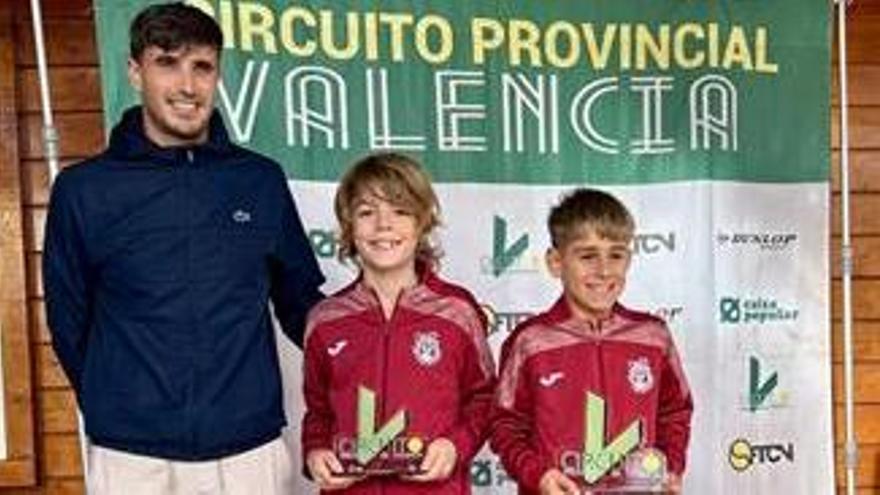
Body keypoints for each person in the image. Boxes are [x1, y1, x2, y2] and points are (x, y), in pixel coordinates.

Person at [42, 3, 325, 493]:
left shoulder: (259, 180)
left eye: (202, 67)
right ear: (135, 71)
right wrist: (122, 402)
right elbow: (69, 321)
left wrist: (375, 353)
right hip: (131, 456)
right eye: (167, 63)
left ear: (217, 74)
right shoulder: (84, 190)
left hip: (248, 452)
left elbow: (302, 304)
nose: (187, 86)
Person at [301, 153, 496, 494]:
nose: (383, 225)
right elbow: (318, 412)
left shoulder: (456, 311)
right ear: (348, 226)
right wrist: (315, 452)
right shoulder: (325, 319)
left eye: (400, 211)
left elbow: (484, 398)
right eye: (366, 213)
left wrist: (455, 446)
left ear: (422, 223)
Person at [490, 188, 693, 495]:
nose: (604, 270)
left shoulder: (653, 335)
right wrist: (539, 475)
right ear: (556, 262)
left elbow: (675, 411)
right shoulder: (529, 341)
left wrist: (671, 466)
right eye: (587, 256)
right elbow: (505, 426)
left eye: (616, 255)